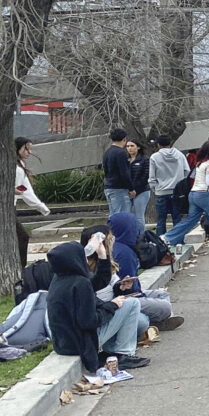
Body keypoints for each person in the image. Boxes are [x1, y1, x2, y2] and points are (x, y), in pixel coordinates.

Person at [47, 242, 149, 377]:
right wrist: (112, 305)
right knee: (132, 303)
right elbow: (89, 321)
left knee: (129, 308)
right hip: (81, 344)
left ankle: (113, 350)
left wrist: (102, 255)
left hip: (63, 343)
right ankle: (123, 353)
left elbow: (99, 282)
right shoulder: (80, 283)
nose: (85, 259)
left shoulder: (59, 280)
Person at [93, 220, 182, 334]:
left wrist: (121, 285)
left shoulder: (116, 251)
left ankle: (161, 321)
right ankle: (155, 321)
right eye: (111, 238)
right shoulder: (123, 253)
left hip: (122, 294)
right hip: (118, 301)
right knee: (162, 309)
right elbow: (120, 292)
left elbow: (114, 282)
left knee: (162, 294)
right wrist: (130, 291)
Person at [163, 139, 209, 253]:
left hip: (194, 194)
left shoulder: (201, 163)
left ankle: (167, 237)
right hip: (206, 194)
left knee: (190, 220)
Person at [14, 137, 50, 266]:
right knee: (22, 237)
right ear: (18, 148)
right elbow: (21, 189)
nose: (29, 152)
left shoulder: (20, 165)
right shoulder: (13, 166)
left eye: (30, 149)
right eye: (26, 149)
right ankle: (20, 268)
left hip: (11, 207)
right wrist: (16, 190)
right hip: (6, 208)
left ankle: (19, 267)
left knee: (21, 237)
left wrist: (40, 206)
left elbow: (25, 189)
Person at [145, 135, 185, 235]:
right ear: (170, 143)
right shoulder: (179, 155)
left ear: (158, 145)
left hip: (161, 191)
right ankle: (178, 239)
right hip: (177, 191)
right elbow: (186, 170)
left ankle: (160, 240)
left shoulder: (154, 157)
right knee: (177, 218)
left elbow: (152, 177)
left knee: (161, 219)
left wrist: (155, 188)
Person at [102, 129, 131, 217]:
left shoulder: (107, 152)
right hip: (119, 188)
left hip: (109, 186)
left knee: (113, 215)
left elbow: (105, 170)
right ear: (124, 139)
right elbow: (124, 172)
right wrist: (131, 188)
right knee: (122, 215)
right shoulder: (121, 153)